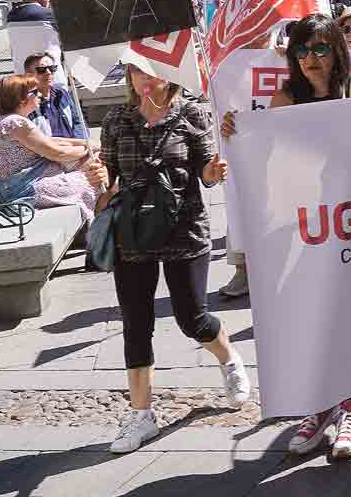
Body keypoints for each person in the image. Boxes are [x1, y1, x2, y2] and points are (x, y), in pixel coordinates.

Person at [221, 14, 351, 462]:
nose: (311, 59)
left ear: (337, 51)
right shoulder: (286, 97)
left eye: (321, 49)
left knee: (348, 317)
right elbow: (266, 154)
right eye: (302, 51)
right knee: (311, 316)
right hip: (304, 226)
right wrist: (240, 132)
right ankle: (321, 405)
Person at [99, 66, 249, 454]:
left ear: (170, 74)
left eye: (153, 71)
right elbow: (108, 178)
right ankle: (141, 415)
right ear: (129, 77)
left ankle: (228, 356)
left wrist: (213, 171)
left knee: (191, 318)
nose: (145, 80)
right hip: (132, 234)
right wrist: (98, 181)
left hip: (183, 229)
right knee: (136, 322)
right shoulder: (116, 119)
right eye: (136, 72)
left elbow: (206, 172)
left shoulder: (192, 112)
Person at [0, 73, 104, 219]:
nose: (40, 95)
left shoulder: (11, 120)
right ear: (21, 98)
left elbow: (49, 141)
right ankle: (98, 230)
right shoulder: (15, 123)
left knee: (94, 165)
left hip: (22, 184)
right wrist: (88, 148)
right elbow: (58, 153)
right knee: (92, 181)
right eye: (34, 92)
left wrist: (87, 144)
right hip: (24, 190)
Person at [25, 52, 88, 142]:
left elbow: (79, 122)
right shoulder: (27, 102)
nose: (48, 72)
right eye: (41, 70)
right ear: (29, 75)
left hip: (75, 149)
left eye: (52, 68)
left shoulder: (62, 93)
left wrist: (80, 143)